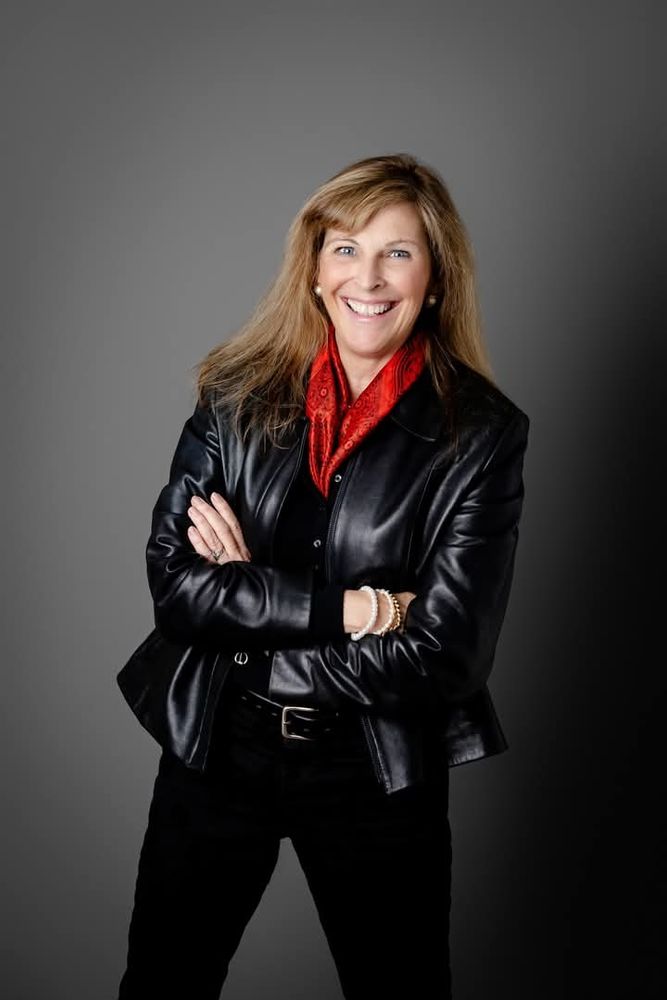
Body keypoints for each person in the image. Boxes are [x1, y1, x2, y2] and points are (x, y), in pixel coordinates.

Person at [116, 152, 529, 1000]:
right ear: (313, 270)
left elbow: (445, 656)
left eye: (396, 253)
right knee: (161, 985)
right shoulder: (234, 394)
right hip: (217, 747)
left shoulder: (482, 436)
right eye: (345, 249)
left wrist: (249, 607)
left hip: (370, 766)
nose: (366, 278)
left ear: (435, 279)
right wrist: (361, 609)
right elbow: (178, 589)